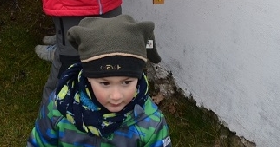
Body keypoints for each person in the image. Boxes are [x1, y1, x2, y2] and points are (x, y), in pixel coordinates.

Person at [28, 14, 172, 147]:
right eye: (105, 83)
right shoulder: (59, 107)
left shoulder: (150, 124)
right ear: (87, 77)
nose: (116, 95)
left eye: (126, 82)